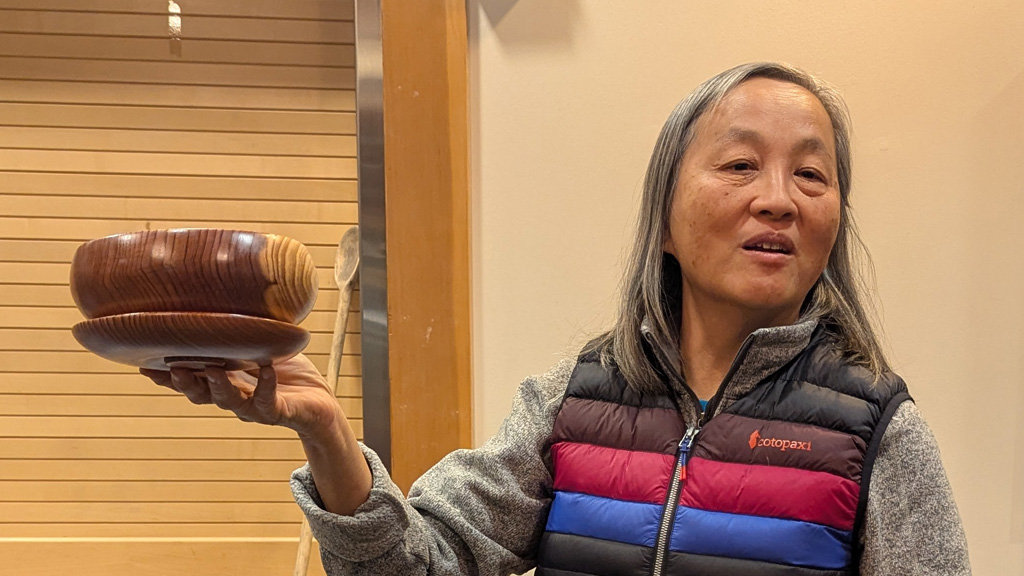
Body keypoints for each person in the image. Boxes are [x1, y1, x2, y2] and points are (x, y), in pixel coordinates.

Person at [142, 62, 971, 575]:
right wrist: (326, 432)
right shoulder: (570, 403)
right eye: (740, 164)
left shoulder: (880, 434)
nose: (779, 199)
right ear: (664, 218)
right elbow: (412, 566)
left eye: (812, 176)